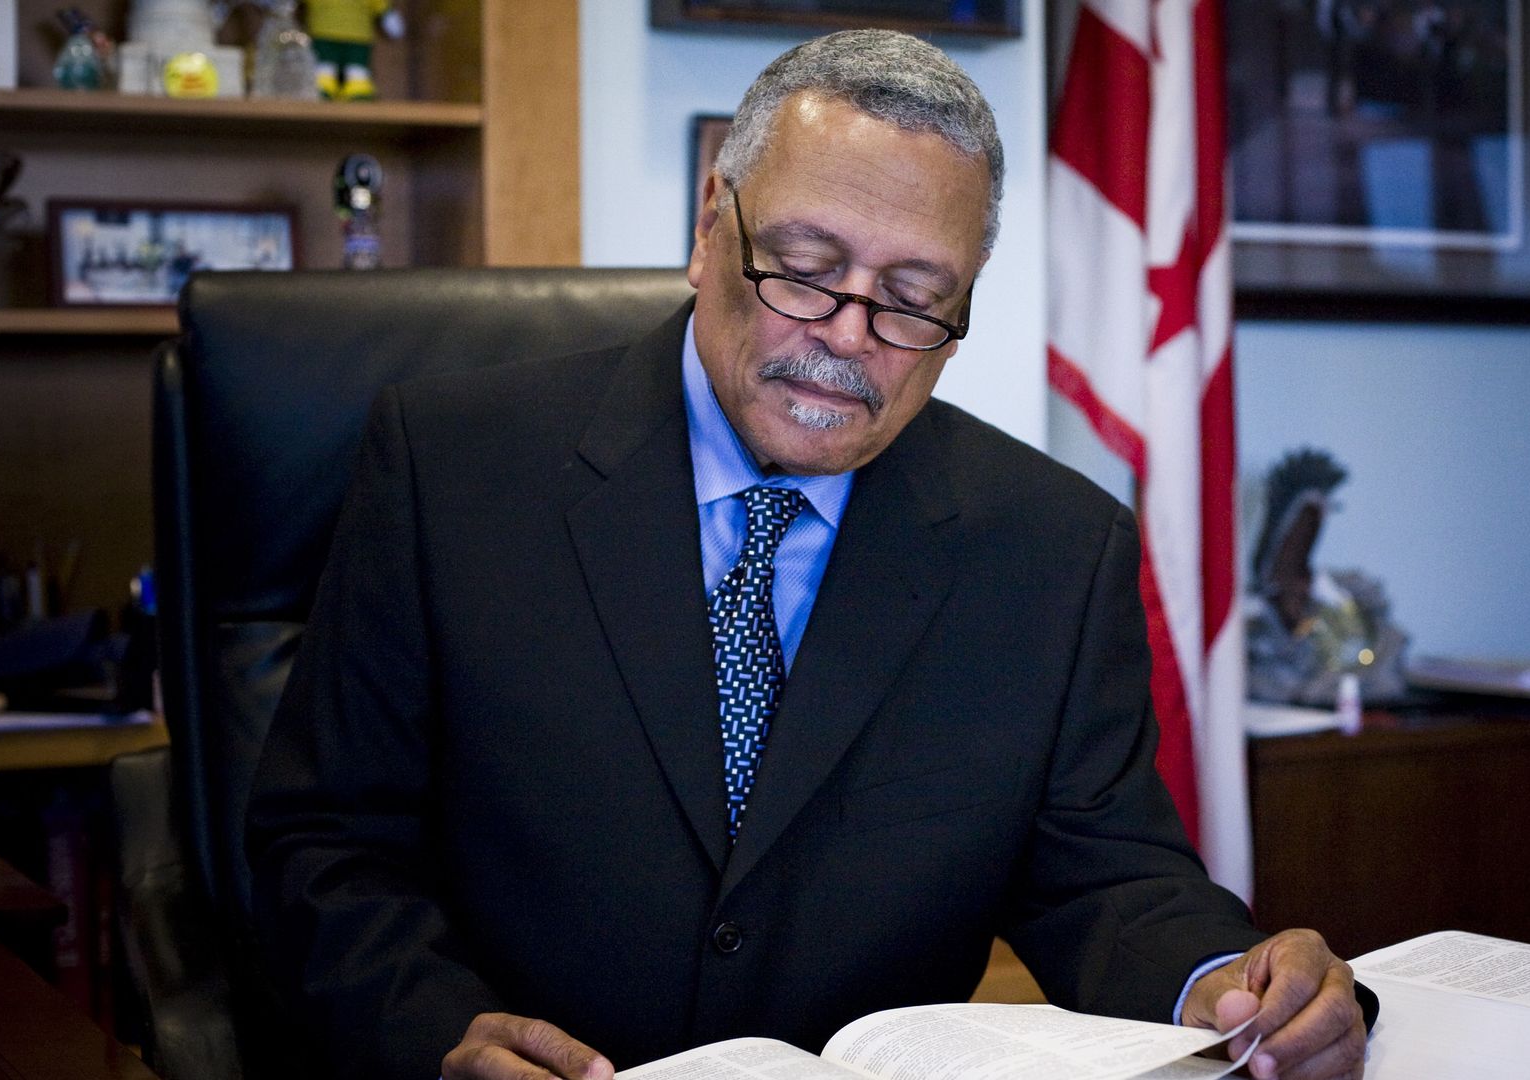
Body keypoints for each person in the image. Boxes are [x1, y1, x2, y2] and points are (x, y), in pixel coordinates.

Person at [247, 29, 1373, 1080]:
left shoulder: (1052, 549)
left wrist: (1224, 982)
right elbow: (325, 846)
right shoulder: (450, 469)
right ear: (709, 227)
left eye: (912, 298)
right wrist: (435, 1030)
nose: (845, 336)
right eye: (802, 266)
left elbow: (1109, 878)